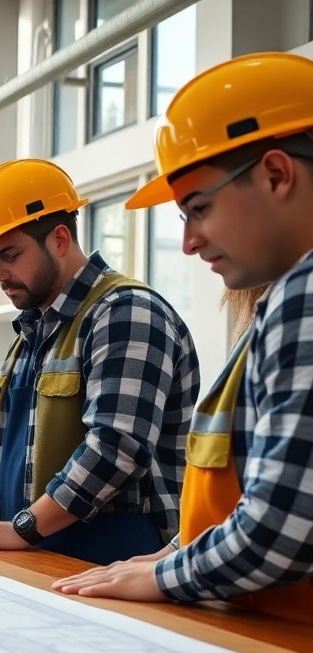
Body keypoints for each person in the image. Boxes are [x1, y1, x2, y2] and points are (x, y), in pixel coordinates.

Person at [54, 52, 313, 621]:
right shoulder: (282, 300)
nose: (190, 242)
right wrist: (169, 555)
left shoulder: (305, 299)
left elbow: (282, 528)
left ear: (276, 175)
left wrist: (164, 575)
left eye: (199, 208)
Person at [0, 159, 200, 566]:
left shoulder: (126, 313)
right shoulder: (32, 333)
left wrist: (23, 527)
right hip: (42, 557)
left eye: (9, 255)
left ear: (59, 239)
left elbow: (116, 449)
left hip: (115, 561)